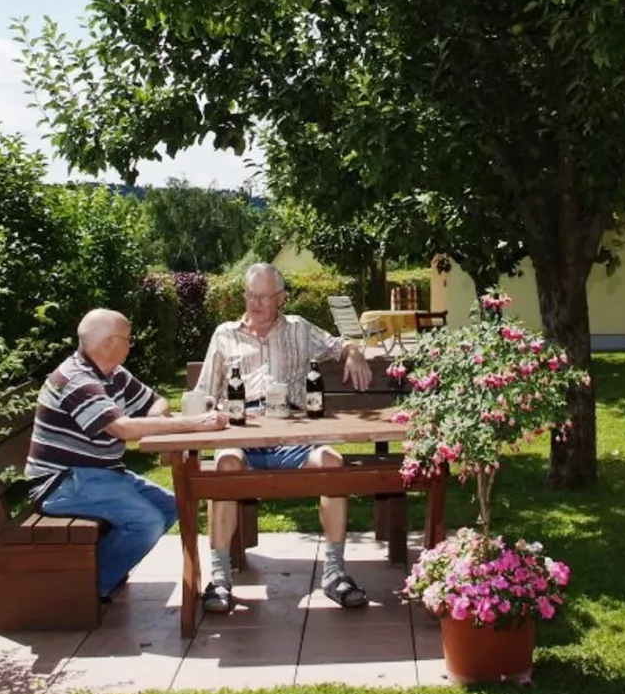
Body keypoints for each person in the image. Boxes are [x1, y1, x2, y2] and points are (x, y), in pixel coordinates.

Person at [197, 262, 374, 613]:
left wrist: (353, 352)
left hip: (291, 431)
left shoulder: (299, 328)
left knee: (333, 464)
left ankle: (334, 574)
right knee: (225, 468)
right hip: (242, 428)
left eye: (265, 297)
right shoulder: (224, 334)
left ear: (282, 299)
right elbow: (205, 390)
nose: (256, 303)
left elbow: (339, 345)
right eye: (251, 295)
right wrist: (208, 413)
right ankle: (219, 581)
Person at [25, 308, 226, 603]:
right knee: (147, 522)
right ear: (108, 343)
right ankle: (87, 587)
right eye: (128, 339)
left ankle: (101, 571)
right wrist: (195, 423)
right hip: (63, 482)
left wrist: (157, 420)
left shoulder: (113, 374)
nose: (132, 345)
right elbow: (122, 429)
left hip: (100, 474)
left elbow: (155, 402)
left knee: (173, 507)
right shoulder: (75, 380)